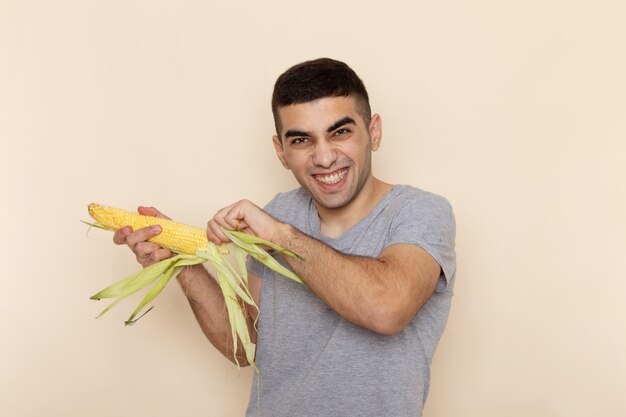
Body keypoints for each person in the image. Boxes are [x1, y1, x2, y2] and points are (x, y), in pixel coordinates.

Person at [113, 58, 456, 417]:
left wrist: (281, 237)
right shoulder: (279, 212)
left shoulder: (420, 212)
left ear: (374, 132)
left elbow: (387, 308)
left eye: (340, 132)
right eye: (301, 139)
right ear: (281, 151)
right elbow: (245, 346)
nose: (324, 157)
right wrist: (182, 264)